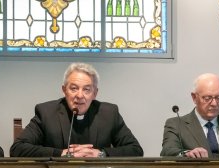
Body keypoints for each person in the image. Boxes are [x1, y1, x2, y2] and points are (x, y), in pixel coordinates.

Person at [10, 63, 143, 157]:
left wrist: (100, 153)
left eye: (86, 89)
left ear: (95, 93)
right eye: (74, 88)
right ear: (64, 90)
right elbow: (17, 148)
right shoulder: (46, 112)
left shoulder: (109, 113)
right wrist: (61, 153)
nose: (79, 95)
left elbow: (135, 150)